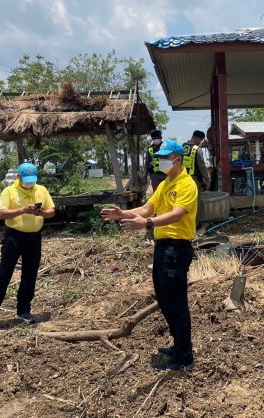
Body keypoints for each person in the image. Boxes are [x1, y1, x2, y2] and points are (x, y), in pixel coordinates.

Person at [101, 139, 197, 371]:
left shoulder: (187, 184)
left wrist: (147, 224)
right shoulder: (165, 183)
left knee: (175, 302)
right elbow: (147, 208)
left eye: (165, 157)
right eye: (160, 157)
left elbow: (176, 215)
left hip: (177, 247)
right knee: (164, 299)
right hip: (163, 247)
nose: (161, 160)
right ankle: (178, 345)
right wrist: (122, 214)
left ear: (177, 159)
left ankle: (184, 355)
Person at [0, 162, 55, 325]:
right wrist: (22, 210)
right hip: (14, 236)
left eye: (32, 179)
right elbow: (1, 214)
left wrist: (41, 212)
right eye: (26, 179)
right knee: (4, 272)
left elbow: (51, 211)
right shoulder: (9, 191)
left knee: (30, 273)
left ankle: (24, 310)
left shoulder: (41, 190)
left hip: (34, 237)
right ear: (18, 177)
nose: (29, 182)